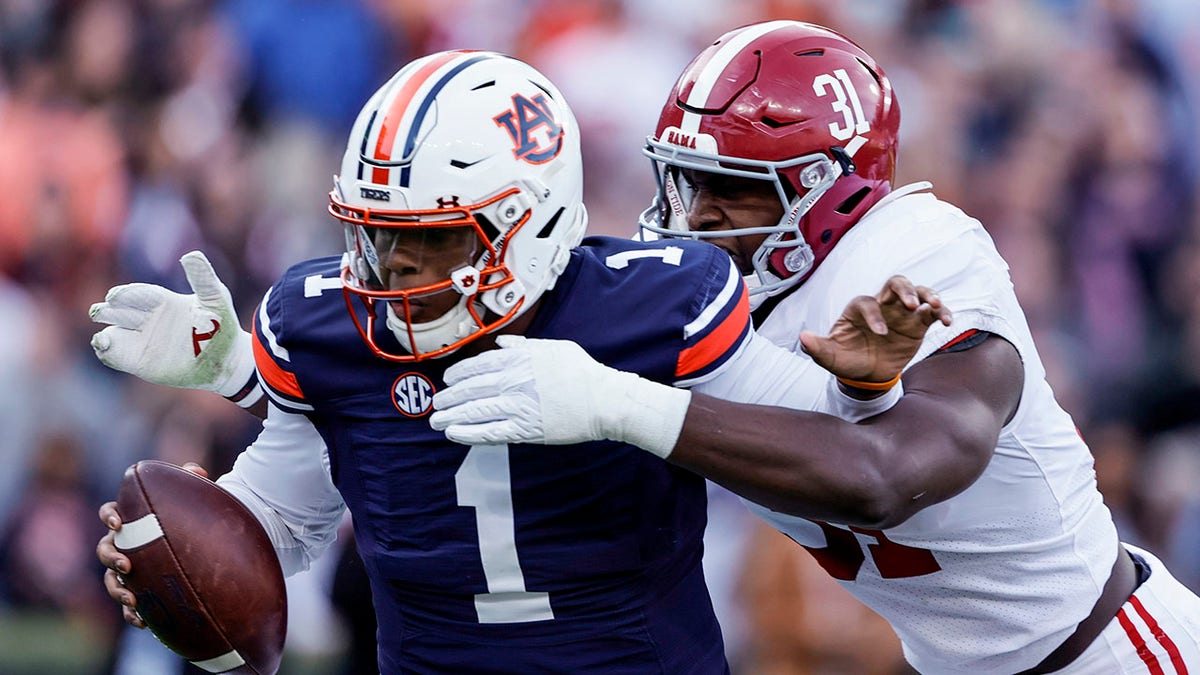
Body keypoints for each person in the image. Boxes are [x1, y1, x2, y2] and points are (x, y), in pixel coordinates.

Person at [91, 50, 949, 673]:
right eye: (371, 237)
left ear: (529, 225)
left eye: (424, 245)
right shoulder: (328, 332)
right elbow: (285, 519)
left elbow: (838, 460)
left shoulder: (652, 309)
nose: (386, 278)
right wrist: (177, 552)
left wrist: (864, 385)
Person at [428, 21, 1200, 675]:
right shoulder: (702, 301)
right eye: (683, 182)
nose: (694, 217)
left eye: (728, 186)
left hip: (1112, 651)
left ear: (830, 191)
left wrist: (615, 402)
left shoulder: (915, 255)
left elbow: (886, 478)